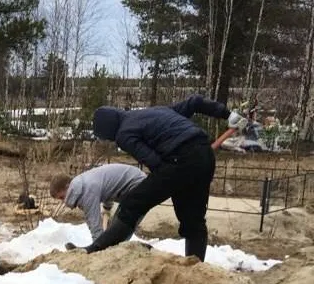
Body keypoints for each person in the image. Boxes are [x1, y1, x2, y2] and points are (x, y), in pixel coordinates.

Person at [80, 95, 248, 261]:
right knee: (193, 220)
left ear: (108, 130)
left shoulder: (123, 133)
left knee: (133, 202)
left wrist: (161, 186)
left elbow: (155, 163)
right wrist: (227, 114)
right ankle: (195, 267)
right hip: (205, 156)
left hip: (180, 159)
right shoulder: (158, 111)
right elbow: (195, 102)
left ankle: (98, 250)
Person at [49, 163, 147, 241]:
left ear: (67, 187)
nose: (64, 201)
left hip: (138, 185)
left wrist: (97, 246)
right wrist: (107, 207)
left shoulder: (85, 191)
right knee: (115, 233)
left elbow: (95, 225)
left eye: (62, 197)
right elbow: (107, 187)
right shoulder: (82, 183)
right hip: (135, 182)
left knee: (119, 231)